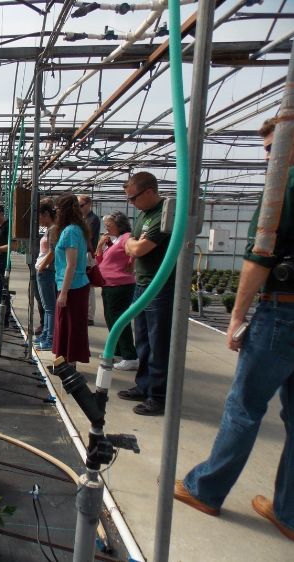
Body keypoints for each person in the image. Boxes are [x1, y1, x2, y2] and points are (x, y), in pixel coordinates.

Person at [175, 118, 294, 542]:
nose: (268, 158)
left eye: (272, 147)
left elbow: (259, 258)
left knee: (244, 407)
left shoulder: (283, 186)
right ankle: (289, 511)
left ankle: (205, 489)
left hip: (282, 311)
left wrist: (237, 316)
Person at [118, 172, 174, 416]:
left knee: (157, 342)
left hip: (159, 286)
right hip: (141, 283)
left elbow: (139, 247)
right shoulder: (144, 214)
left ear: (149, 192)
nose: (131, 203)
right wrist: (133, 244)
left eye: (133, 198)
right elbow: (130, 242)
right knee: (142, 338)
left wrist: (133, 245)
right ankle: (144, 385)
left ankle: (158, 396)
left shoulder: (165, 213)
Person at [95, 211, 138, 370]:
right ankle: (118, 351)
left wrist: (132, 262)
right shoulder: (114, 240)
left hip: (120, 285)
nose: (106, 228)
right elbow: (99, 260)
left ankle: (130, 356)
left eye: (109, 225)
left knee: (119, 319)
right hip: (108, 284)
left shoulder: (126, 237)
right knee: (111, 319)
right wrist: (100, 246)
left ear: (119, 225)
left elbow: (134, 249)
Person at [52, 193, 91, 364]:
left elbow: (71, 265)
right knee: (70, 326)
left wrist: (64, 293)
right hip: (74, 285)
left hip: (72, 287)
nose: (56, 212)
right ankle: (66, 362)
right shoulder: (77, 229)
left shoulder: (70, 231)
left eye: (58, 209)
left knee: (68, 326)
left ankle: (68, 363)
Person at [35, 199, 57, 351]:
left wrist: (42, 266)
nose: (39, 221)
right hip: (44, 271)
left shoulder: (54, 229)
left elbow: (53, 251)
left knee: (50, 308)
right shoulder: (50, 228)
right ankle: (45, 334)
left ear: (46, 214)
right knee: (46, 306)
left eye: (40, 217)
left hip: (47, 272)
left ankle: (50, 338)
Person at [79, 194, 101, 326]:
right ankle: (85, 313)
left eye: (81, 205)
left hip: (87, 254)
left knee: (89, 285)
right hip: (83, 253)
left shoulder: (93, 219)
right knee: (84, 284)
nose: (79, 208)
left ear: (89, 204)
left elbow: (88, 237)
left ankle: (89, 315)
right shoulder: (84, 219)